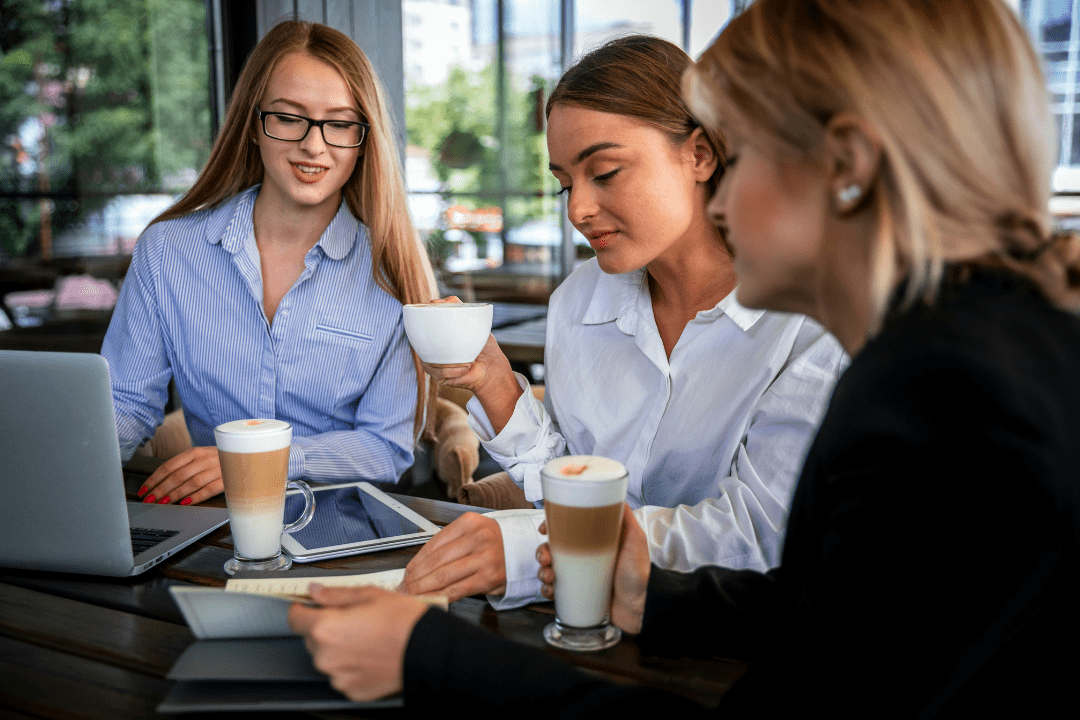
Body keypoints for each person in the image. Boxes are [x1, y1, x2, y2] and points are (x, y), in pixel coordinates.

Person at [289, 0, 1080, 714]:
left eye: (747, 154)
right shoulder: (980, 351)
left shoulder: (939, 391)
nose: (727, 199)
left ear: (846, 166)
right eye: (567, 182)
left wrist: (430, 656)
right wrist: (648, 594)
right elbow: (838, 612)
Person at [401, 35, 846, 607]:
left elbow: (758, 533)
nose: (576, 210)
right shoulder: (578, 301)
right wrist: (493, 382)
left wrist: (531, 554)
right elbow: (572, 483)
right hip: (585, 620)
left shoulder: (807, 321)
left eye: (605, 172)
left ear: (700, 155)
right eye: (565, 183)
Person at [102, 21, 435, 506]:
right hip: (214, 530)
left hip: (337, 536)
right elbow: (126, 405)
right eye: (288, 116)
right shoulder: (167, 252)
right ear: (253, 124)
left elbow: (385, 450)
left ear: (364, 140)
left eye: (340, 123)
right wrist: (54, 464)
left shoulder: (390, 273)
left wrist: (257, 460)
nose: (314, 146)